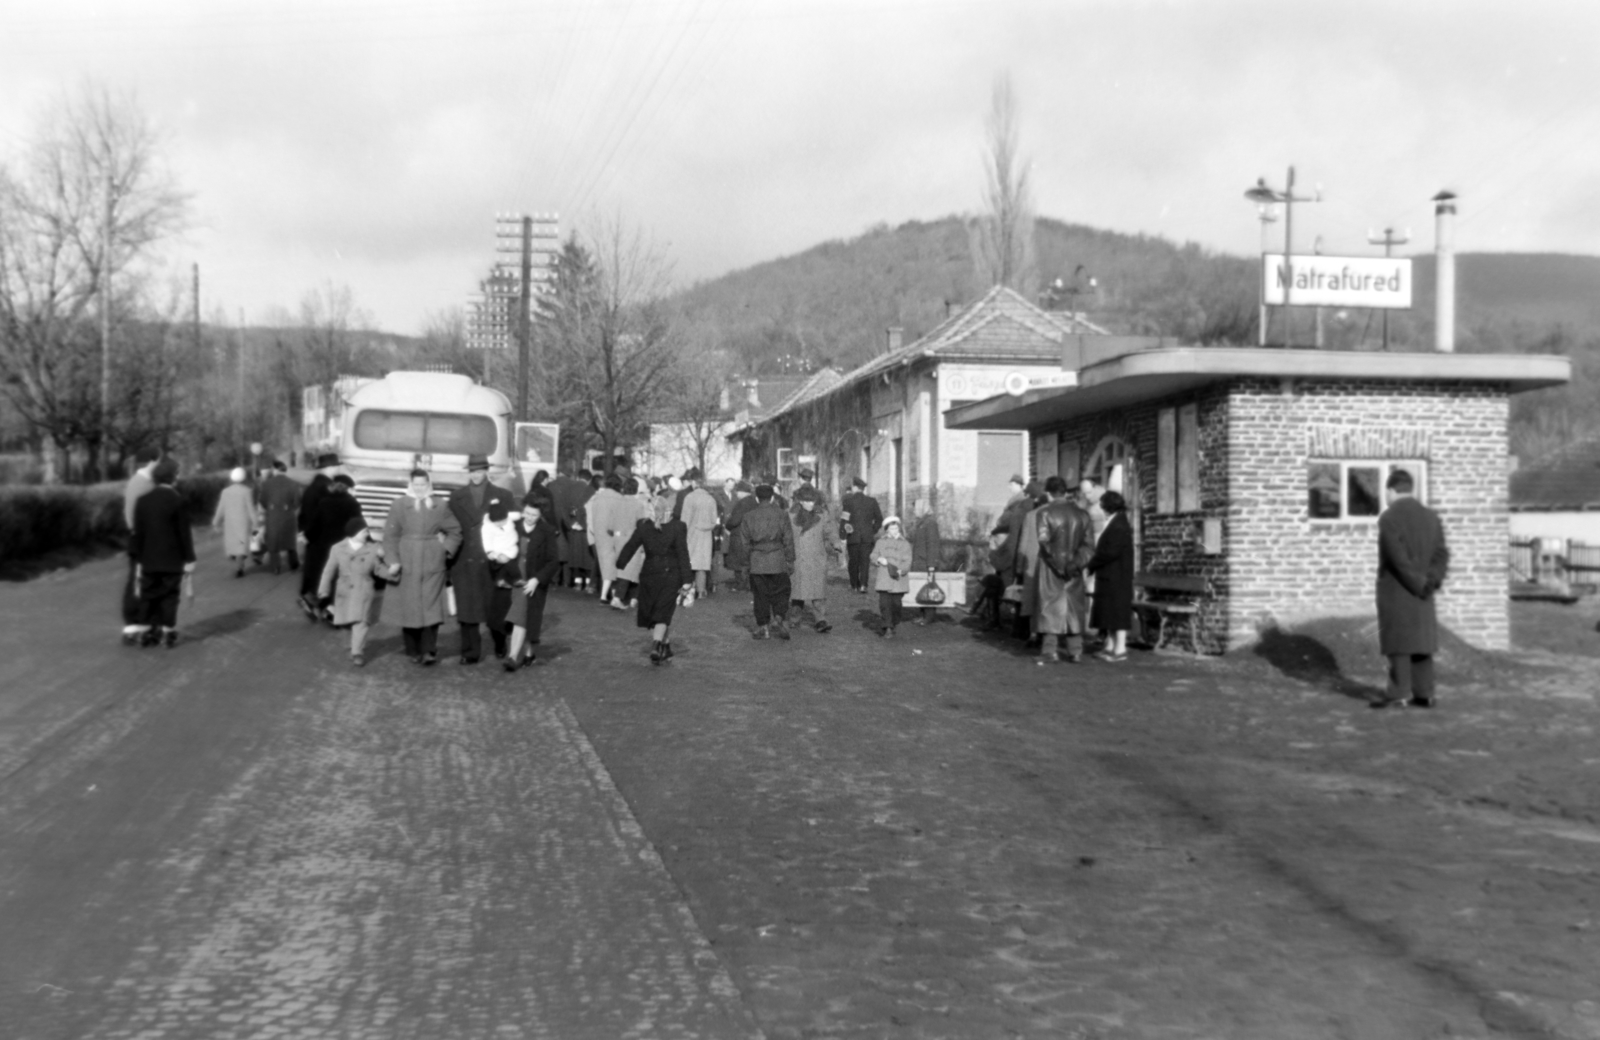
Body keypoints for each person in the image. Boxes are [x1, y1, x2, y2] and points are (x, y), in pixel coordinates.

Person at [1373, 470, 1450, 709]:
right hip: (1425, 589)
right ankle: (1424, 694)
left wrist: (1416, 583)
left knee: (1399, 643)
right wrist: (1431, 580)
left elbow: (1398, 560)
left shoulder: (1389, 518)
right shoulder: (1431, 517)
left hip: (1398, 590)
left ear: (1390, 490)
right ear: (1410, 488)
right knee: (1421, 643)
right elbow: (1441, 554)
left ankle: (1398, 694)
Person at [381, 469, 463, 665]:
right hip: (406, 560)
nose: (419, 489)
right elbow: (390, 536)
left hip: (432, 562)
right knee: (409, 606)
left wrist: (444, 551)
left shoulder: (440, 505)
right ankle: (413, 650)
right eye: (416, 485)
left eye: (423, 485)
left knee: (431, 606)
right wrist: (393, 560)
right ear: (410, 485)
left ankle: (429, 651)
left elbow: (455, 532)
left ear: (429, 485)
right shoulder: (399, 505)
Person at [446, 454, 517, 664]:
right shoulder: (456, 497)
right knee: (467, 610)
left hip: (494, 561)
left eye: (479, 471)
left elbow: (512, 529)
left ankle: (499, 641)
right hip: (465, 560)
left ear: (487, 470)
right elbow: (451, 529)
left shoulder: (503, 495)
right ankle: (470, 652)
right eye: (472, 471)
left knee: (497, 608)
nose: (476, 475)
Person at [615, 493, 694, 664]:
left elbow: (631, 546)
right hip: (671, 574)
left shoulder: (643, 526)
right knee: (663, 613)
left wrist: (620, 563)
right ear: (668, 509)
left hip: (650, 573)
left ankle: (665, 647)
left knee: (657, 612)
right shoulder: (678, 526)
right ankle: (657, 645)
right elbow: (682, 553)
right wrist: (688, 579)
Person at [128, 457, 195, 648]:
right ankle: (167, 631)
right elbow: (184, 533)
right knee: (170, 595)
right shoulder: (178, 501)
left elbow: (138, 532)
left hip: (148, 559)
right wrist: (189, 558)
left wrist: (137, 556)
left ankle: (148, 631)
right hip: (172, 560)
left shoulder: (142, 501)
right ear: (172, 478)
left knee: (149, 594)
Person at [1034, 476, 1094, 663]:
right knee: (1074, 607)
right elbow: (1089, 546)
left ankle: (1049, 650)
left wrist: (1059, 566)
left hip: (1051, 568)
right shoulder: (1083, 515)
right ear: (1065, 491)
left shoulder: (1044, 513)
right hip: (1074, 568)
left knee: (1050, 606)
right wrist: (1075, 564)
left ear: (1048, 492)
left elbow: (1044, 543)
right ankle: (1075, 651)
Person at [503, 494, 562, 671]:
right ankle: (527, 653)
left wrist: (537, 579)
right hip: (515, 577)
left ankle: (514, 656)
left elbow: (553, 561)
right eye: (527, 513)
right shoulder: (514, 526)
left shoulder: (547, 531)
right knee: (523, 616)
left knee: (526, 616)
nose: (529, 517)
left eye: (533, 515)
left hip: (533, 580)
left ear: (540, 515)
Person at [317, 517, 386, 666]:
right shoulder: (337, 548)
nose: (367, 534)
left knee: (361, 621)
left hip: (364, 589)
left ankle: (357, 652)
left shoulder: (372, 548)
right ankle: (333, 612)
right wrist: (323, 590)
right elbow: (328, 571)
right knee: (350, 619)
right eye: (364, 531)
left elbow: (379, 569)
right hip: (345, 590)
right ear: (354, 533)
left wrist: (393, 573)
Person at [302, 476, 364, 621]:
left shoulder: (324, 502)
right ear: (348, 489)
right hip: (344, 547)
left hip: (323, 547)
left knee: (325, 577)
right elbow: (359, 525)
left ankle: (322, 606)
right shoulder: (352, 504)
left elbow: (314, 526)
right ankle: (334, 611)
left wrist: (308, 537)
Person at [1086, 490, 1134, 662]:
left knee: (1117, 613)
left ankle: (1119, 650)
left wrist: (1092, 564)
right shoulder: (1118, 522)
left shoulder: (1118, 525)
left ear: (1108, 507)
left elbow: (1110, 552)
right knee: (1112, 613)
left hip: (1116, 576)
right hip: (1113, 575)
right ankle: (1111, 646)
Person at [743, 483, 795, 639]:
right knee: (781, 591)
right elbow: (788, 539)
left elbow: (745, 543)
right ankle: (779, 617)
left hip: (757, 560)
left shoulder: (748, 516)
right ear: (772, 497)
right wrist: (790, 560)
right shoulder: (782, 514)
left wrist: (747, 564)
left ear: (757, 498)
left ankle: (763, 626)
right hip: (777, 559)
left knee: (760, 595)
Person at [120, 449, 160, 645]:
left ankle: (145, 623)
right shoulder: (141, 484)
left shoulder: (144, 482)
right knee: (140, 581)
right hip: (144, 539)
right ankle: (137, 623)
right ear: (153, 462)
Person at [789, 483, 842, 633]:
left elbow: (830, 531)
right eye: (806, 501)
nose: (810, 504)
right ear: (800, 501)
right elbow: (785, 535)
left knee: (818, 592)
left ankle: (821, 620)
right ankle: (795, 619)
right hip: (798, 558)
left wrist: (836, 542)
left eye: (812, 501)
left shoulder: (821, 515)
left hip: (816, 558)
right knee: (797, 593)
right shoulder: (791, 515)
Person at [297, 453, 342, 603]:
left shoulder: (313, 487)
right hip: (325, 536)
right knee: (324, 571)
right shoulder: (326, 488)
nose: (337, 469)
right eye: (336, 466)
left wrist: (304, 532)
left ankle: (310, 597)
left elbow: (303, 514)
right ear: (328, 468)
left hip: (314, 536)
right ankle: (322, 604)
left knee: (314, 568)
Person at [584, 473, 631, 604]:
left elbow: (591, 516)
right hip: (612, 535)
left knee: (604, 563)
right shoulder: (619, 498)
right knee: (612, 565)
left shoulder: (597, 498)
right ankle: (609, 595)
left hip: (596, 535)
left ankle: (606, 593)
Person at [608, 477, 651, 609]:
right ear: (636, 489)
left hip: (616, 538)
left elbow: (609, 524)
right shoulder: (638, 505)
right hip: (631, 539)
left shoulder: (615, 503)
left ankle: (620, 594)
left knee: (621, 569)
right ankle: (620, 597)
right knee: (630, 569)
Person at [679, 468, 720, 597]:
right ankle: (701, 590)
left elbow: (684, 520)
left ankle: (689, 589)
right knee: (702, 564)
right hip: (706, 535)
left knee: (689, 563)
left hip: (691, 534)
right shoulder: (711, 499)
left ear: (694, 484)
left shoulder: (689, 498)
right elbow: (714, 521)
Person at [257, 459, 302, 574]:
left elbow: (262, 501)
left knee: (273, 542)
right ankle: (293, 563)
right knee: (290, 541)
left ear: (275, 470)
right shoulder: (293, 483)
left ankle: (276, 567)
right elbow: (297, 502)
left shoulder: (267, 484)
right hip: (288, 515)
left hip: (273, 516)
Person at [871, 515, 913, 638]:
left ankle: (893, 622)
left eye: (896, 528)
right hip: (884, 577)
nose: (894, 531)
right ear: (887, 530)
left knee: (896, 604)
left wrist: (902, 570)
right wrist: (879, 559)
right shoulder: (880, 542)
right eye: (892, 529)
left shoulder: (905, 544)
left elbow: (908, 561)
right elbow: (873, 555)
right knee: (884, 604)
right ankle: (887, 627)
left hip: (898, 578)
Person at [212, 467, 258, 578]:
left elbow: (221, 507)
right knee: (241, 545)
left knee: (233, 544)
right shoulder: (247, 491)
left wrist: (215, 521)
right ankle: (239, 567)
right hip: (242, 523)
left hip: (230, 523)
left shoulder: (225, 492)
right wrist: (255, 523)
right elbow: (250, 509)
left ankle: (235, 559)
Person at [840, 477, 883, 593]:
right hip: (867, 537)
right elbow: (879, 519)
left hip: (852, 536)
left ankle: (854, 585)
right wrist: (872, 530)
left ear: (854, 487)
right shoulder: (872, 501)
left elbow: (844, 520)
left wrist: (843, 536)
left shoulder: (848, 501)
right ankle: (864, 585)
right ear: (863, 489)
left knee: (853, 561)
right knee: (865, 561)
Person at [907, 495, 942, 625]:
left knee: (929, 589)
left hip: (926, 563)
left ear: (922, 508)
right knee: (920, 588)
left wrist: (931, 565)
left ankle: (929, 617)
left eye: (916, 509)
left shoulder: (930, 523)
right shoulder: (922, 523)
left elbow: (933, 545)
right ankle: (922, 615)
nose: (914, 511)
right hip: (919, 562)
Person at [723, 480, 756, 592]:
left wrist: (727, 526)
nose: (736, 494)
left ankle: (741, 585)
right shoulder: (753, 501)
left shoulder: (742, 503)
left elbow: (735, 520)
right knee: (748, 561)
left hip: (739, 534)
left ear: (741, 492)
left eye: (737, 491)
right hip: (750, 534)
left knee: (739, 561)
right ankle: (748, 584)